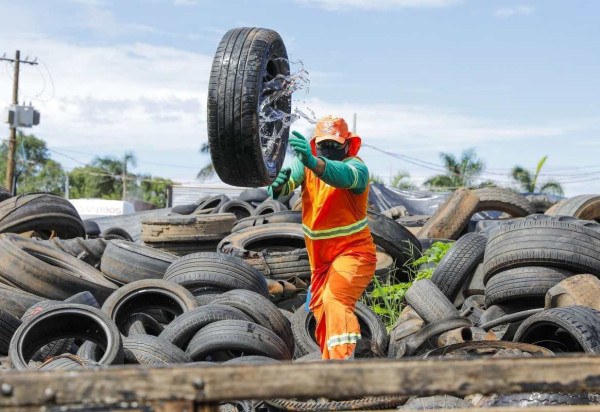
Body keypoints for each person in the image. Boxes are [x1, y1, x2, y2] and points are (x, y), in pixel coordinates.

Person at [267, 115, 377, 360]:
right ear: (316, 143)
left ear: (349, 145)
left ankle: (344, 365)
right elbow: (287, 183)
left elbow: (340, 176)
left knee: (335, 299)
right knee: (321, 310)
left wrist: (313, 161)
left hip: (354, 254)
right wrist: (277, 185)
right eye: (325, 145)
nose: (330, 149)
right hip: (320, 263)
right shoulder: (305, 164)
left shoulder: (356, 168)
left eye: (336, 145)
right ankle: (330, 365)